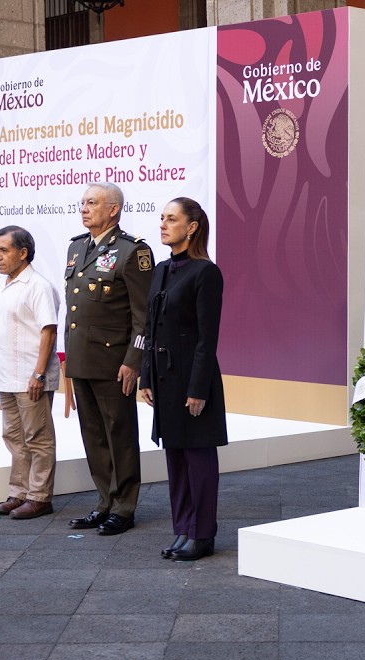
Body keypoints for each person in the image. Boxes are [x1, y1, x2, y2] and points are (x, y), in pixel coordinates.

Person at [64, 182, 154, 536]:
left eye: (92, 203)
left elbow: (143, 315)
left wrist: (134, 360)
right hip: (83, 359)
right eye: (82, 202)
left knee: (120, 434)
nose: (84, 208)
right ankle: (104, 502)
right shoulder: (76, 247)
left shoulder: (133, 252)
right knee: (93, 435)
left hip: (115, 361)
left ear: (113, 209)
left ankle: (125, 507)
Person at [141, 197, 227, 562]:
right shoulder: (160, 269)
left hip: (193, 381)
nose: (163, 225)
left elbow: (209, 338)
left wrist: (198, 389)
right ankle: (183, 529)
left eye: (171, 219)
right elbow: (149, 328)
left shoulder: (206, 273)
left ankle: (202, 534)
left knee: (198, 461)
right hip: (164, 378)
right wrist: (146, 375)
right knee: (175, 459)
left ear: (192, 227)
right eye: (162, 218)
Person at [0, 226, 61, 520]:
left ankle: (40, 497)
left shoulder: (38, 286)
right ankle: (18, 492)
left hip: (31, 376)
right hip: (6, 375)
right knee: (14, 437)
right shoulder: (1, 285)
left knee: (38, 438)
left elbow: (49, 330)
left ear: (23, 253)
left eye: (3, 250)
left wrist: (40, 374)